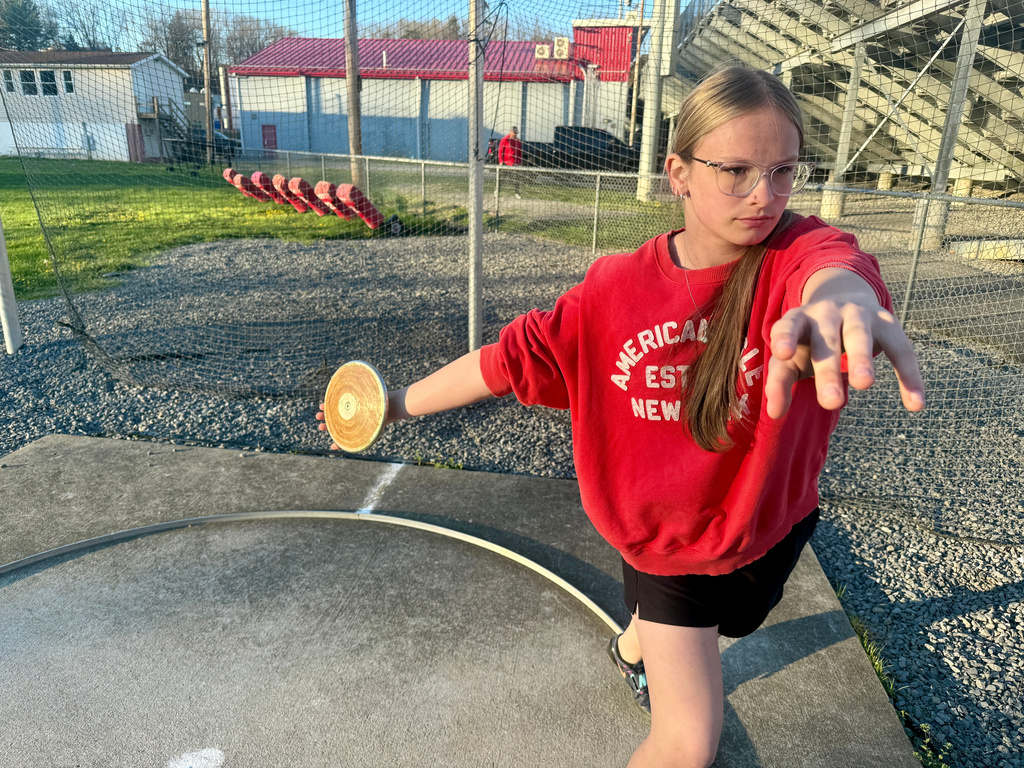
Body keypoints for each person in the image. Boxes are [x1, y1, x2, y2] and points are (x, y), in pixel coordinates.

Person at [317, 63, 924, 768]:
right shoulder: (613, 292)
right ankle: (649, 641)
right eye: (735, 171)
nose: (764, 196)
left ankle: (632, 646)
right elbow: (503, 361)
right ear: (679, 173)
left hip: (769, 521)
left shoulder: (795, 255)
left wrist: (841, 297)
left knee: (737, 621)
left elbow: (835, 265)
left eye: (783, 171)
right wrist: (393, 404)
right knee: (689, 740)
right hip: (664, 544)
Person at [497, 125, 523, 198]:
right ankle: (497, 190)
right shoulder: (505, 140)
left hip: (514, 163)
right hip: (505, 163)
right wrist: (501, 161)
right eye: (514, 133)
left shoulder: (517, 141)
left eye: (516, 133)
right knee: (501, 179)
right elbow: (500, 151)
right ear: (511, 132)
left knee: (516, 179)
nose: (515, 134)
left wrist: (519, 161)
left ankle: (516, 193)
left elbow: (519, 151)